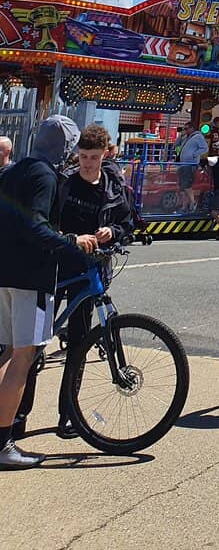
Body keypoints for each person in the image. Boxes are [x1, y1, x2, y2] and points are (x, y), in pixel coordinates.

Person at [0, 116, 97, 469]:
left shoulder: (14, 170)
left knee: (8, 352)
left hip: (5, 273)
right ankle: (3, 444)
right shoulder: (43, 175)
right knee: (23, 358)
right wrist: (73, 242)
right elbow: (36, 226)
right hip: (31, 276)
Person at [54, 123, 136, 438]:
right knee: (32, 343)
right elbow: (49, 222)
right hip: (58, 266)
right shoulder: (65, 184)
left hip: (90, 272)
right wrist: (71, 238)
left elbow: (126, 223)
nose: (87, 163)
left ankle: (68, 415)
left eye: (93, 157)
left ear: (104, 155)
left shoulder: (113, 187)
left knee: (79, 343)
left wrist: (111, 232)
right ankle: (17, 418)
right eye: (83, 156)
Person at [174, 121, 208, 212]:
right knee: (183, 186)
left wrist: (194, 154)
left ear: (192, 128)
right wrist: (181, 135)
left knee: (186, 185)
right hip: (182, 164)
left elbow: (204, 148)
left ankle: (193, 202)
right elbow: (175, 144)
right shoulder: (186, 137)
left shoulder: (198, 137)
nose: (185, 130)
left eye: (186, 128)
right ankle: (184, 206)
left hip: (190, 164)